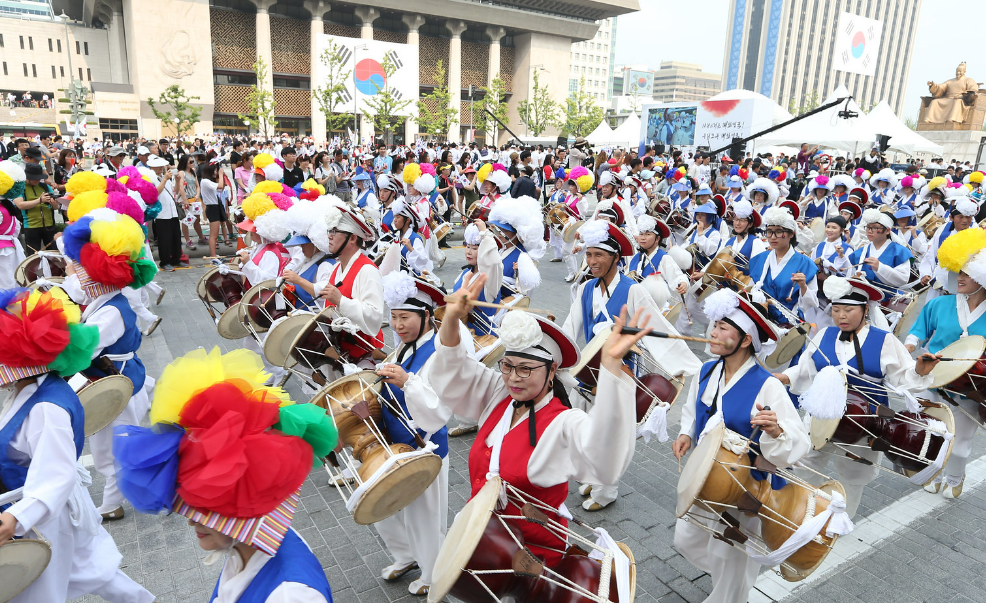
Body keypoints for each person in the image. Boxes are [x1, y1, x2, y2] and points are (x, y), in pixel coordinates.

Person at [414, 274, 644, 577]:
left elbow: (604, 452)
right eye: (507, 366)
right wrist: (452, 319)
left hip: (535, 559)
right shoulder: (499, 395)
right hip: (487, 544)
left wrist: (612, 366)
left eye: (525, 369)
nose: (513, 378)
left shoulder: (563, 422)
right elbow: (454, 369)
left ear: (552, 371)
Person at [113, 347, 335, 603]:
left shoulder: (290, 596)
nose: (192, 522)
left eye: (203, 507)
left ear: (242, 502)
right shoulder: (248, 548)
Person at [0, 288, 157, 603]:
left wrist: (16, 518)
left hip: (45, 514)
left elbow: (57, 476)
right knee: (95, 571)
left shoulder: (46, 408)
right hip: (50, 507)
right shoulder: (28, 391)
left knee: (40, 592)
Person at [672, 289, 814, 603]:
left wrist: (776, 430)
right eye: (714, 325)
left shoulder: (767, 384)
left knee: (730, 556)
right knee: (686, 539)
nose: (712, 332)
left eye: (723, 328)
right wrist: (686, 434)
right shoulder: (706, 371)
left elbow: (799, 442)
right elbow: (693, 409)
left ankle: (731, 592)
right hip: (707, 477)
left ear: (746, 339)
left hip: (746, 487)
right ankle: (732, 581)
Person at [563, 220, 700, 510]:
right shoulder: (585, 288)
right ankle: (592, 475)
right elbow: (570, 327)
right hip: (590, 373)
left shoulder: (632, 290)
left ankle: (606, 490)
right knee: (588, 430)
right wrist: (558, 353)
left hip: (621, 373)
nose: (591, 261)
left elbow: (656, 325)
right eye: (589, 255)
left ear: (616, 257)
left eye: (599, 255)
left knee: (610, 435)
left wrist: (683, 363)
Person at [776, 276, 937, 517]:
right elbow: (805, 368)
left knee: (853, 474)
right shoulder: (824, 334)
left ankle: (842, 520)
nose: (841, 316)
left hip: (865, 421)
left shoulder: (884, 340)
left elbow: (903, 377)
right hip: (821, 413)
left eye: (848, 310)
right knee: (803, 462)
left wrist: (919, 371)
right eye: (836, 310)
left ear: (865, 310)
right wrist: (784, 377)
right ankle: (800, 513)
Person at [58, 209, 157, 521]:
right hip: (119, 380)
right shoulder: (106, 304)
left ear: (95, 277)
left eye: (78, 272)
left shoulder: (110, 311)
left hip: (115, 386)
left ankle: (113, 503)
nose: (74, 277)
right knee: (114, 444)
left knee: (110, 448)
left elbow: (82, 350)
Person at [372, 272, 455, 596]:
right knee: (383, 507)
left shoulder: (439, 351)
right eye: (393, 317)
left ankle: (434, 574)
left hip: (426, 448)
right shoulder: (404, 348)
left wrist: (407, 382)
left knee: (424, 517)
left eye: (404, 317)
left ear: (426, 316)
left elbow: (440, 410)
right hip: (394, 444)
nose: (397, 325)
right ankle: (406, 555)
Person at [907, 228, 986, 498]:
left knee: (961, 443)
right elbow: (917, 331)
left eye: (967, 273)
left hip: (971, 387)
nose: (959, 277)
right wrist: (906, 348)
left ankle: (955, 477)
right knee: (933, 432)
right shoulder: (940, 304)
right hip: (934, 377)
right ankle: (936, 472)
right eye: (958, 271)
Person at [315, 203, 386, 377]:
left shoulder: (367, 270)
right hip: (340, 355)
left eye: (334, 231)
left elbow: (375, 316)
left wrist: (341, 301)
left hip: (363, 356)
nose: (329, 236)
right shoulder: (336, 268)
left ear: (353, 238)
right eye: (329, 231)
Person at [848, 208, 913, 301]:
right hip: (862, 300)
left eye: (875, 228)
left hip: (889, 300)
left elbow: (903, 279)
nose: (870, 231)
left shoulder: (900, 251)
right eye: (868, 227)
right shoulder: (860, 252)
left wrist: (880, 267)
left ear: (887, 231)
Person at [487, 195, 545, 299]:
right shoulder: (501, 250)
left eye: (505, 231)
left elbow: (525, 293)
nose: (500, 234)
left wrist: (519, 274)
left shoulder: (522, 256)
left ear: (517, 232)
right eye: (499, 229)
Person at [630, 215, 688, 303]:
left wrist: (683, 283)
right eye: (641, 234)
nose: (643, 238)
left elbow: (677, 276)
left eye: (648, 234)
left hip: (656, 306)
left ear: (657, 239)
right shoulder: (636, 258)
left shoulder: (663, 257)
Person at [13, 162, 58, 253]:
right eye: (35, 178)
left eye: (39, 178)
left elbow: (56, 207)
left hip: (49, 226)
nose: (38, 180)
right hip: (31, 226)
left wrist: (54, 204)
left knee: (54, 254)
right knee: (33, 255)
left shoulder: (45, 187)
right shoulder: (20, 188)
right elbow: (20, 205)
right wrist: (39, 200)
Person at [719, 199, 766, 276]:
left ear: (750, 224)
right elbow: (716, 262)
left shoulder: (755, 242)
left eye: (742, 220)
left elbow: (759, 269)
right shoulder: (728, 241)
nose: (738, 223)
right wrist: (702, 273)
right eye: (736, 219)